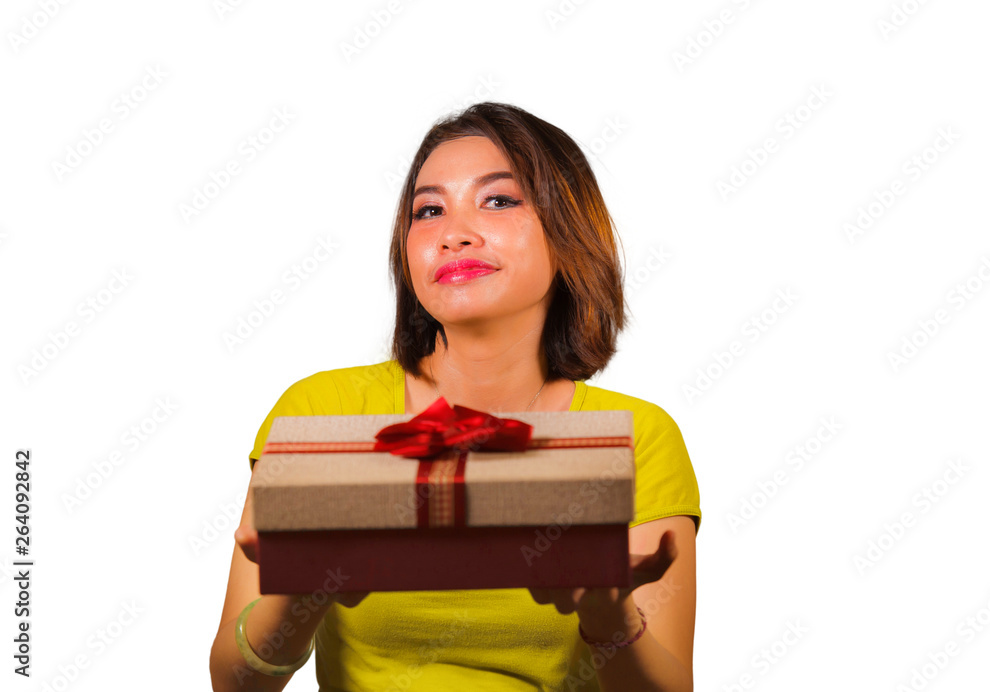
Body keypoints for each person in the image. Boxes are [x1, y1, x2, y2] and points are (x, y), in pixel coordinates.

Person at [209, 102, 701, 692]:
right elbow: (234, 684)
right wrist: (299, 596)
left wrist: (608, 618)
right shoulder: (322, 411)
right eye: (429, 210)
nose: (453, 233)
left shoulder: (635, 436)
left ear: (568, 230)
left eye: (499, 200)